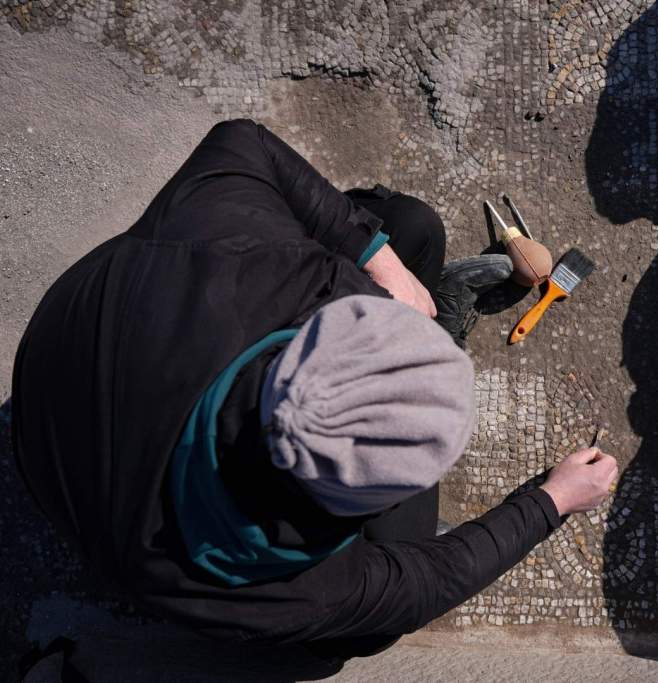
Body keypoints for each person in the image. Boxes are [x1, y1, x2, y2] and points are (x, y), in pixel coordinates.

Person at [10, 119, 618, 659]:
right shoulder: (295, 595)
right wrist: (552, 500)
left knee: (410, 227)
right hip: (99, 507)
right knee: (366, 633)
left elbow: (242, 141)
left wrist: (381, 263)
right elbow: (430, 581)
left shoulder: (224, 244)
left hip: (69, 385)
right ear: (369, 504)